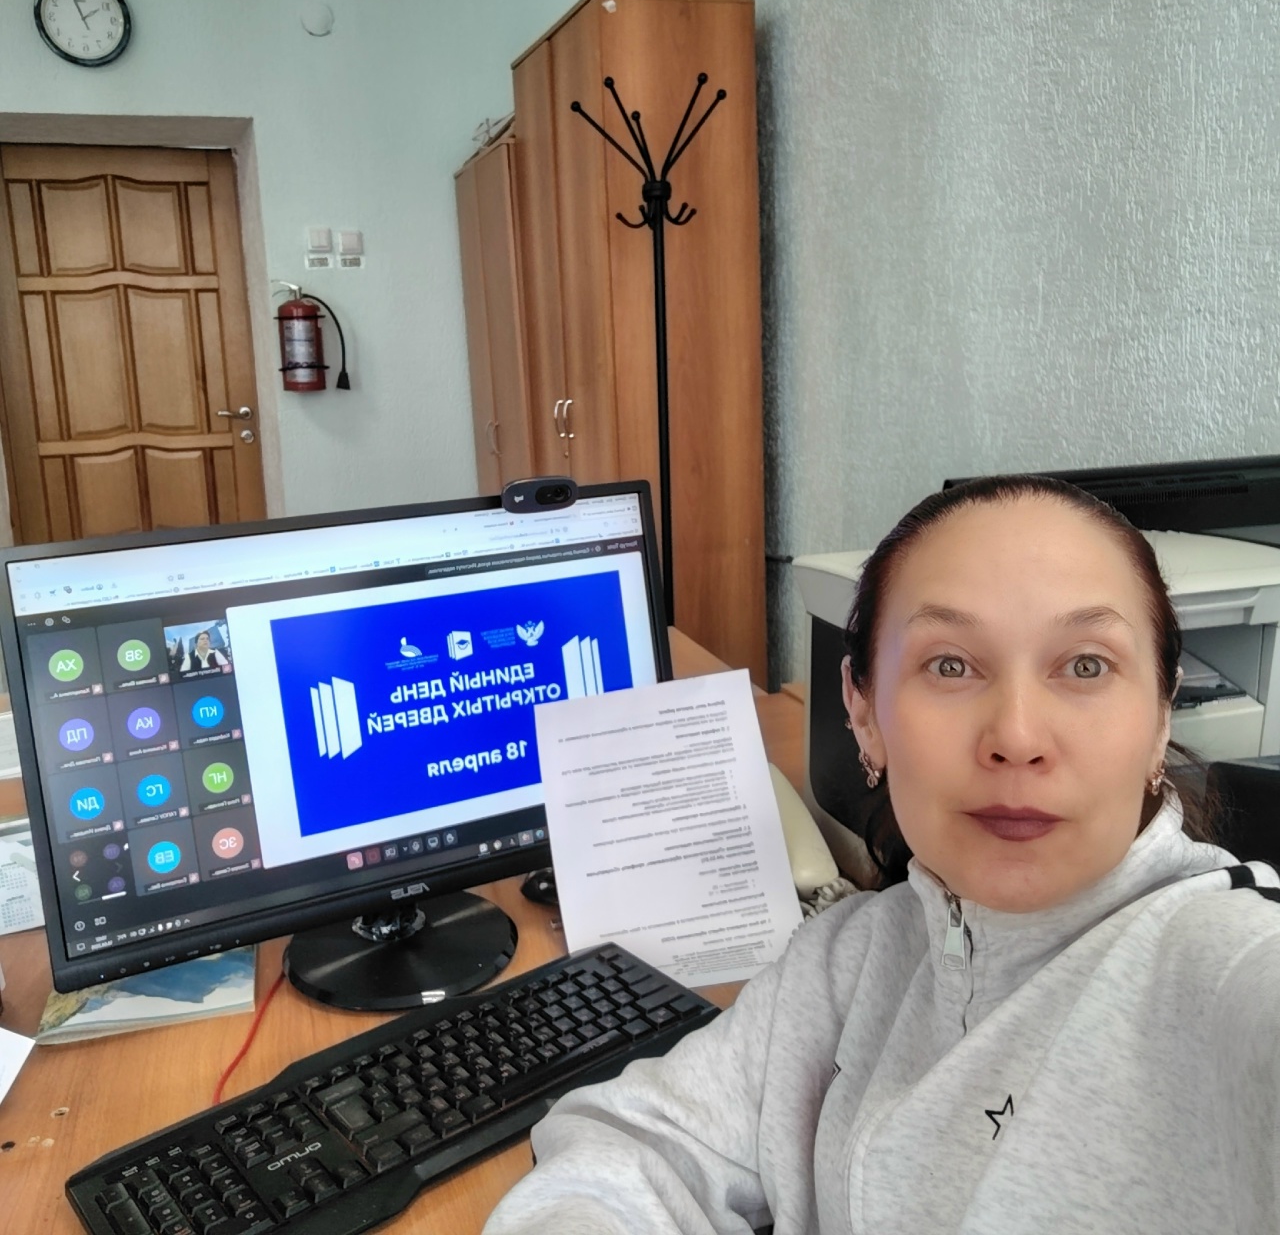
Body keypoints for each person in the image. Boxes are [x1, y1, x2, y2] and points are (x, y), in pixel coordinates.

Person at [483, 475, 1280, 1235]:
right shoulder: (850, 961)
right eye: (950, 665)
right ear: (863, 712)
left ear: (1160, 716)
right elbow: (637, 1148)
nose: (1016, 737)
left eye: (1085, 665)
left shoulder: (1225, 969)